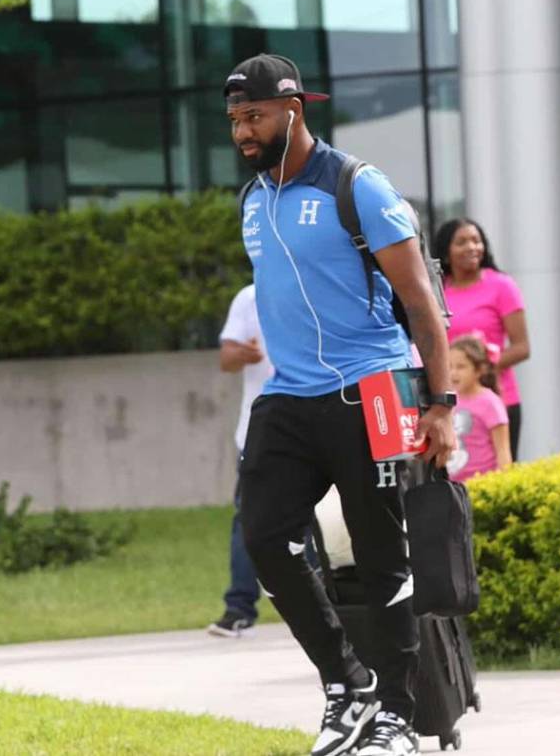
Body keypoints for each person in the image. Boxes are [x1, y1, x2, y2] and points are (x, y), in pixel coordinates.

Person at [227, 53, 456, 756]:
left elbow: (421, 303)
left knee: (383, 555)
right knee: (264, 535)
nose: (243, 130)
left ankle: (398, 713)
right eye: (235, 119)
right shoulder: (254, 200)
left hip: (372, 388)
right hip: (290, 396)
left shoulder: (358, 187)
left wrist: (440, 404)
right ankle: (347, 684)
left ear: (292, 110)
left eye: (254, 116)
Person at [207, 283, 273, 637]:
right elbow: (227, 358)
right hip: (258, 429)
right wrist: (244, 354)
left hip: (313, 423)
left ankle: (330, 603)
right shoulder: (249, 297)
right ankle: (239, 608)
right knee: (248, 519)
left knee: (317, 521)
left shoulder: (314, 282)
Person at [434, 218, 531, 459]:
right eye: (462, 242)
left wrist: (477, 367)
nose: (472, 247)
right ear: (446, 253)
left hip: (498, 398)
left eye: (476, 241)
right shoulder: (437, 291)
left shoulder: (502, 286)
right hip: (449, 403)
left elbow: (522, 348)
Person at [446, 334, 512, 482]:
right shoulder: (448, 400)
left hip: (482, 486)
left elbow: (503, 452)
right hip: (454, 489)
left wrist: (503, 485)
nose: (453, 373)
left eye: (461, 367)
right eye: (449, 366)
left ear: (479, 370)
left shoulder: (490, 403)